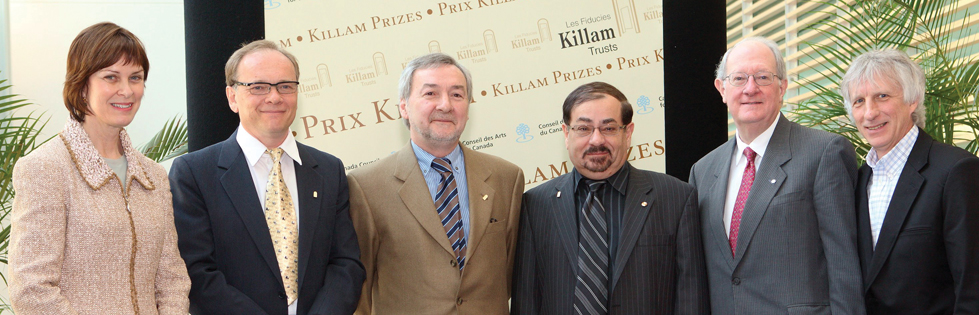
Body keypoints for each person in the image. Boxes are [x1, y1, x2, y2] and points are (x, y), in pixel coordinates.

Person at [170, 40, 364, 315]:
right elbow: (197, 272)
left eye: (285, 86)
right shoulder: (194, 173)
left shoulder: (329, 170)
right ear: (232, 97)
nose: (274, 97)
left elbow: (345, 264)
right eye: (258, 87)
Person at [8, 22, 190, 314]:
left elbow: (172, 279)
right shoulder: (45, 169)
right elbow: (31, 290)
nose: (126, 91)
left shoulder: (153, 175)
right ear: (81, 86)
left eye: (135, 78)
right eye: (111, 77)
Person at [687, 37, 865, 314]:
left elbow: (844, 267)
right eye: (739, 78)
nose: (750, 88)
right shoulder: (702, 170)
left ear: (782, 87)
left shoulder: (823, 152)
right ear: (721, 89)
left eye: (762, 77)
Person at [347, 53, 524, 314]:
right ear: (404, 106)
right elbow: (358, 295)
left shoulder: (506, 178)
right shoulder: (366, 187)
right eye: (430, 94)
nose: (445, 105)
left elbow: (512, 277)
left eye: (457, 94)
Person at [511, 82, 709, 314]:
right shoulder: (535, 204)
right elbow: (526, 301)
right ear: (566, 134)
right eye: (583, 129)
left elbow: (691, 298)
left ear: (628, 133)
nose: (596, 140)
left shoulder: (676, 198)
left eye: (609, 128)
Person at [841, 49, 979, 314]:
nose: (869, 113)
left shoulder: (957, 171)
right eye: (859, 101)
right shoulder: (855, 181)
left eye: (882, 96)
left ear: (912, 100)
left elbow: (972, 289)